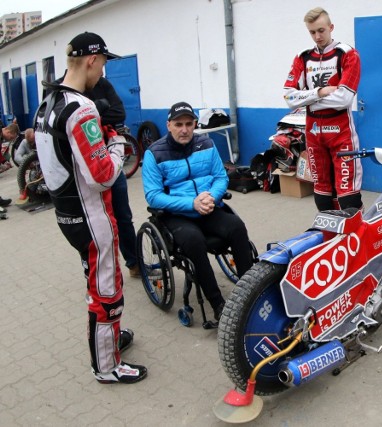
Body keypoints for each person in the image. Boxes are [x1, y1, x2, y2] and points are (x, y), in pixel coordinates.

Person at [33, 32, 147, 383]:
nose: (103, 74)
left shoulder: (46, 103)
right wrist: (116, 144)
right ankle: (107, 367)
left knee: (97, 284)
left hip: (66, 213)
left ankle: (109, 341)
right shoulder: (81, 108)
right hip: (92, 215)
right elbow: (102, 175)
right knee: (107, 291)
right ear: (92, 61)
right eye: (103, 65)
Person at [142, 101, 254, 321]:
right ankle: (218, 303)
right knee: (194, 241)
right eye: (178, 124)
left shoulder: (207, 144)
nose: (184, 129)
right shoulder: (154, 154)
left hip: (208, 206)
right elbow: (153, 196)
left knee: (237, 227)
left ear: (195, 124)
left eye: (188, 124)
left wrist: (211, 196)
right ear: (169, 125)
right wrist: (191, 203)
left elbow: (221, 177)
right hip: (176, 214)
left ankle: (249, 292)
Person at [283, 7, 363, 211]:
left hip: (341, 132)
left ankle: (356, 238)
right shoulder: (303, 57)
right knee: (321, 191)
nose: (317, 37)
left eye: (321, 30)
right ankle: (330, 237)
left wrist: (306, 99)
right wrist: (319, 92)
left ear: (331, 27)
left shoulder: (347, 54)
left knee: (347, 194)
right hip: (313, 132)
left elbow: (344, 99)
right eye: (312, 32)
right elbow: (289, 97)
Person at [86, 77, 140, 278]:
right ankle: (97, 270)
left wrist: (88, 116)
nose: (102, 68)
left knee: (123, 216)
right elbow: (68, 124)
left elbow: (120, 113)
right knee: (92, 223)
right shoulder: (64, 90)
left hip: (110, 159)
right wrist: (99, 110)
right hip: (84, 165)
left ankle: (134, 263)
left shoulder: (102, 84)